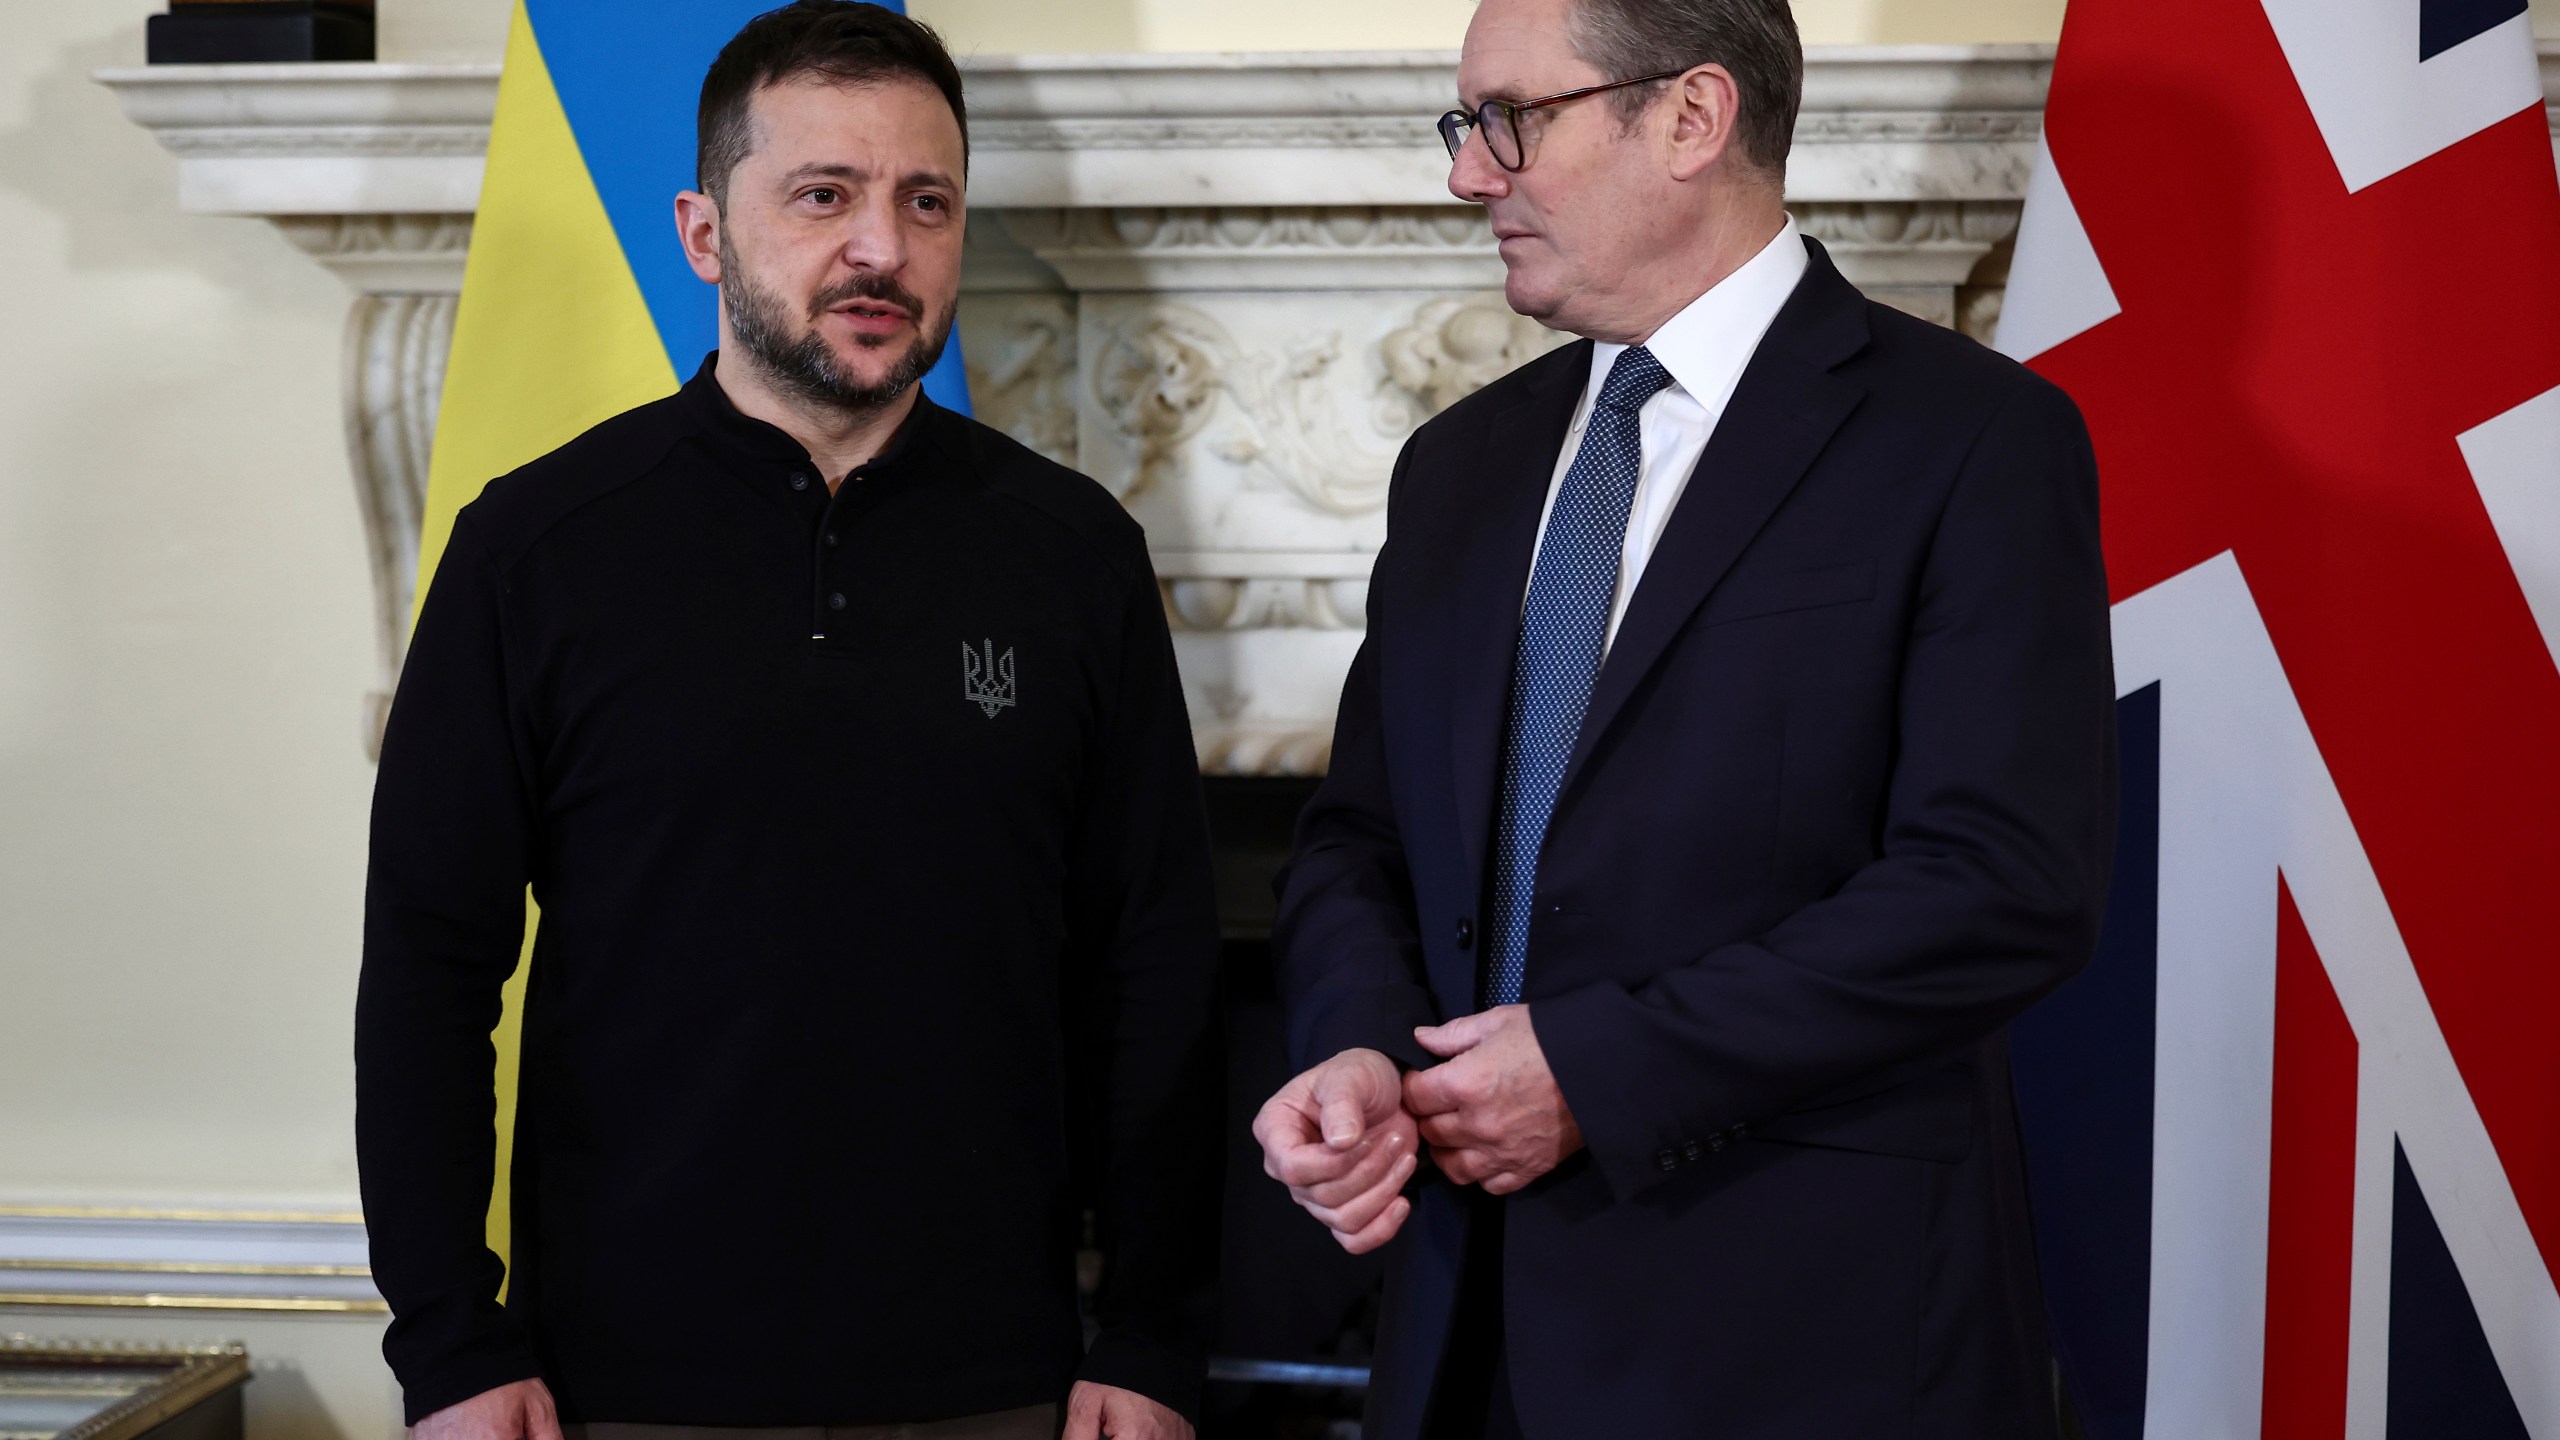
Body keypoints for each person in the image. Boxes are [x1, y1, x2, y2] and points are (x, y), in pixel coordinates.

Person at [1251, 0, 2118, 1434]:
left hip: (1798, 1336)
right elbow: (1359, 836)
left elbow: (2004, 884)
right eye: (1467, 127)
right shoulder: (1459, 468)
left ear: (1691, 117)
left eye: (1511, 121)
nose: (1472, 174)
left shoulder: (1972, 440)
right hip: (1463, 1325)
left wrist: (1598, 1071)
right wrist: (1353, 1043)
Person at [357, 7, 1218, 1440]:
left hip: (1000, 1384)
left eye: (924, 203)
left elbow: (1158, 967)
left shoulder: (1075, 556)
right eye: (823, 195)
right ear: (703, 231)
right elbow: (430, 969)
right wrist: (449, 1341)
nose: (880, 249)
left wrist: (1151, 1338)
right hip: (611, 1386)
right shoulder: (534, 550)